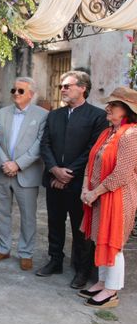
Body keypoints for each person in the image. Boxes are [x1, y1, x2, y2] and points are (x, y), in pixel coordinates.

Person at [37, 70, 107, 289]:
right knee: (54, 223)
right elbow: (45, 144)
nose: (63, 90)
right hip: (54, 180)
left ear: (82, 87)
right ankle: (55, 260)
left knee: (81, 228)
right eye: (61, 87)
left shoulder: (97, 116)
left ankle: (82, 269)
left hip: (79, 184)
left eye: (67, 86)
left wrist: (68, 173)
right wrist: (54, 169)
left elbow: (92, 150)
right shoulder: (54, 115)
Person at [78, 87, 137, 308]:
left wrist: (95, 192)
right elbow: (91, 162)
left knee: (114, 243)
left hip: (118, 198)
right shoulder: (108, 132)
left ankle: (112, 291)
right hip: (100, 195)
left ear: (127, 110)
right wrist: (86, 187)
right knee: (99, 237)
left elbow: (121, 174)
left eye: (114, 105)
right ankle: (103, 281)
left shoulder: (132, 134)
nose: (108, 107)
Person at [0, 77, 48, 271]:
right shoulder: (1, 113)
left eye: (21, 91)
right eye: (14, 90)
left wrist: (18, 165)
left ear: (31, 94)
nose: (16, 93)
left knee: (28, 216)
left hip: (27, 174)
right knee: (2, 213)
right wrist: (5, 162)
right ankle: (3, 248)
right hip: (2, 171)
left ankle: (26, 252)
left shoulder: (42, 115)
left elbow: (39, 145)